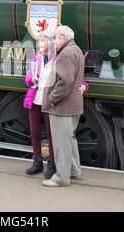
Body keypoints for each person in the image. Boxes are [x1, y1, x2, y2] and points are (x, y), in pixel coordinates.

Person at [23, 32, 88, 179]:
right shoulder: (36, 59)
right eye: (38, 41)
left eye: (42, 41)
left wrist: (84, 86)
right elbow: (27, 78)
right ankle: (37, 161)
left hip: (50, 101)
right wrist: (31, 79)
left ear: (50, 44)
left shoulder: (58, 58)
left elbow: (71, 77)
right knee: (34, 132)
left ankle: (52, 163)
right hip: (35, 99)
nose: (39, 44)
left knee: (52, 134)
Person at [41, 25, 85, 187]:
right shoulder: (76, 50)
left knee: (62, 143)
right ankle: (74, 171)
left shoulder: (66, 53)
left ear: (63, 38)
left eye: (55, 37)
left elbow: (65, 82)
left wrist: (53, 99)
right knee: (70, 139)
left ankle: (61, 178)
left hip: (63, 107)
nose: (53, 41)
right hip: (73, 105)